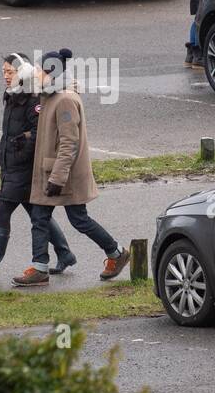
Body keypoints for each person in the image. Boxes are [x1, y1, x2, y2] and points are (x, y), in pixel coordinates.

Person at [13, 49, 130, 287]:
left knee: (76, 219)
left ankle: (115, 253)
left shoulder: (64, 99)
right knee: (44, 217)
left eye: (38, 70)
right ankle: (42, 266)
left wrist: (57, 177)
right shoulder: (49, 95)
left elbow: (69, 142)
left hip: (62, 175)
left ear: (50, 72)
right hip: (56, 171)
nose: (35, 74)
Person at [0, 53, 75, 282]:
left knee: (3, 212)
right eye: (4, 72)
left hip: (24, 169)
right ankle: (65, 253)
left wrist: (19, 150)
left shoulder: (31, 98)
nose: (6, 76)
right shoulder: (12, 94)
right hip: (11, 167)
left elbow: (40, 134)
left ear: (23, 72)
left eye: (11, 71)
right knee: (36, 213)